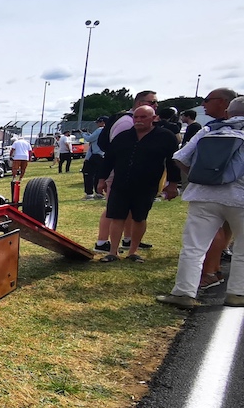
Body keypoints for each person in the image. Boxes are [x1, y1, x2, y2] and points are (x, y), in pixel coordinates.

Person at [157, 95, 244, 308]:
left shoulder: (209, 130)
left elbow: (180, 157)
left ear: (229, 112)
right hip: (239, 196)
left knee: (194, 246)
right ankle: (237, 293)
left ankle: (184, 292)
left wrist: (198, 176)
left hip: (203, 195)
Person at [96, 105, 180, 262]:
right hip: (121, 183)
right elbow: (109, 160)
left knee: (139, 218)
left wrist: (173, 184)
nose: (139, 120)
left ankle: (133, 251)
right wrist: (102, 180)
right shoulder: (123, 137)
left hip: (146, 185)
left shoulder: (165, 137)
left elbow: (172, 162)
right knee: (116, 217)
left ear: (154, 118)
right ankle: (113, 252)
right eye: (136, 117)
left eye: (143, 117)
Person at [94, 90, 158, 252]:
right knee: (113, 209)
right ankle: (102, 242)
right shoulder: (126, 123)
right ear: (139, 104)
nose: (156, 105)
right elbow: (115, 151)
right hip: (119, 172)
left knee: (130, 209)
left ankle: (129, 239)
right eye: (152, 102)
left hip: (134, 175)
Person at [82, 118, 108, 199]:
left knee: (88, 174)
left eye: (98, 122)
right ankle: (99, 192)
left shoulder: (100, 129)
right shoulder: (109, 130)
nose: (97, 124)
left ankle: (89, 193)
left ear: (102, 122)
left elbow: (89, 139)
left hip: (95, 155)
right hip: (103, 155)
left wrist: (83, 134)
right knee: (99, 175)